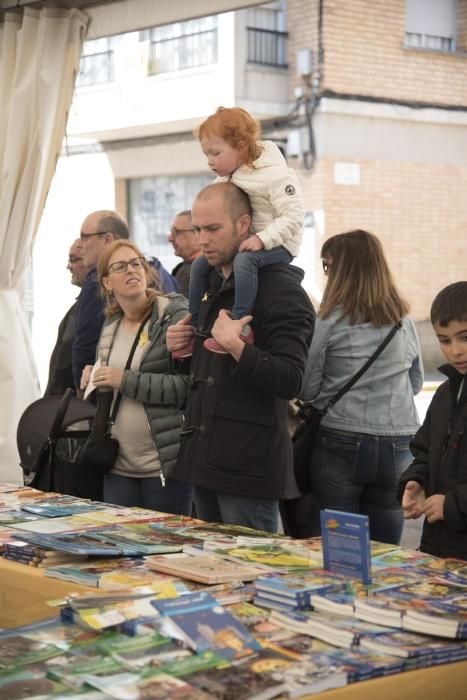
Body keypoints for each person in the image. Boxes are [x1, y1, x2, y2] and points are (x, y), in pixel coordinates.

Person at [166, 182, 315, 533]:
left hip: (248, 467)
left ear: (244, 225)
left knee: (252, 578)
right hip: (204, 459)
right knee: (209, 571)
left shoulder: (283, 292)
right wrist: (183, 350)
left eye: (213, 229)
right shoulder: (213, 285)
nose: (203, 240)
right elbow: (205, 373)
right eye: (199, 229)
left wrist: (237, 348)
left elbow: (292, 379)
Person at [299, 229, 423, 545]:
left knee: (343, 548)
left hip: (340, 439)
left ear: (340, 269)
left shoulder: (328, 320)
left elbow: (306, 390)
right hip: (398, 442)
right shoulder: (402, 321)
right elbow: (416, 383)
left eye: (327, 266)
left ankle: (342, 595)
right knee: (384, 549)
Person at [174, 106, 304, 358]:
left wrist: (262, 239)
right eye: (206, 154)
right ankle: (195, 324)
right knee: (199, 265)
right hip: (255, 241)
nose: (210, 160)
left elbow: (295, 216)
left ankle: (240, 324)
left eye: (215, 153)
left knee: (245, 261)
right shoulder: (230, 177)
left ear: (241, 146)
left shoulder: (276, 174)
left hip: (281, 244)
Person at [81, 239, 192, 514]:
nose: (131, 270)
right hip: (117, 465)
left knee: (165, 551)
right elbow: (110, 373)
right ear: (107, 283)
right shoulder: (110, 325)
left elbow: (188, 387)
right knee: (119, 552)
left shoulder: (173, 316)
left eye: (136, 263)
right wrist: (93, 372)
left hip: (163, 466)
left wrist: (124, 380)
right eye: (120, 267)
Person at [72, 209, 178, 390]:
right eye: (121, 267)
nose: (81, 245)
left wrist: (87, 395)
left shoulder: (94, 282)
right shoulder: (162, 271)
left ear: (107, 239)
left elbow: (84, 347)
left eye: (84, 236)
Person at [399, 282, 467, 560]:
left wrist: (453, 505)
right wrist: (416, 482)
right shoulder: (444, 393)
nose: (456, 351)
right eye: (445, 340)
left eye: (464, 337)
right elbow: (424, 451)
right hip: (439, 549)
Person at [45, 239, 87, 396]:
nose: (68, 266)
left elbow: (67, 362)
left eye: (73, 259)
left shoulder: (93, 305)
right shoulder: (82, 304)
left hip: (72, 400)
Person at [168, 210, 202, 297]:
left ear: (197, 233)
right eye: (171, 232)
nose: (170, 238)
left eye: (177, 232)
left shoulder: (190, 272)